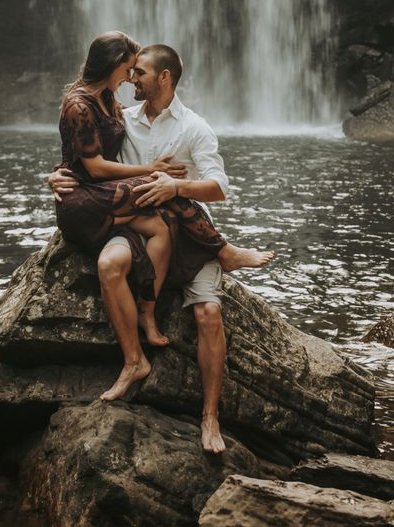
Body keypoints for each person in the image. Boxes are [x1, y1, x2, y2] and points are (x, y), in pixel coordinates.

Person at [50, 34, 274, 453]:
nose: (133, 77)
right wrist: (58, 176)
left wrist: (178, 186)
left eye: (141, 72)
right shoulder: (120, 115)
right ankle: (134, 358)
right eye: (130, 70)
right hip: (136, 226)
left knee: (208, 313)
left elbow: (219, 188)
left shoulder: (195, 127)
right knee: (108, 264)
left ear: (164, 78)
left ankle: (210, 419)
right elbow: (87, 158)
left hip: (188, 233)